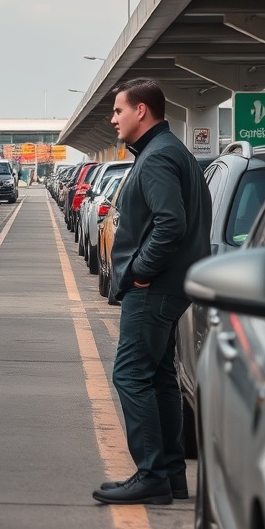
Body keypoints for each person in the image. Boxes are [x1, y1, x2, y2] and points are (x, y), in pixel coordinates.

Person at [92, 79, 211, 506]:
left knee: (130, 375)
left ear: (142, 111)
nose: (113, 119)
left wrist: (140, 272)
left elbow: (170, 225)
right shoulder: (170, 152)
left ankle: (151, 475)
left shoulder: (158, 158)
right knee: (160, 378)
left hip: (155, 288)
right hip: (170, 286)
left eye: (119, 111)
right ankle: (171, 475)